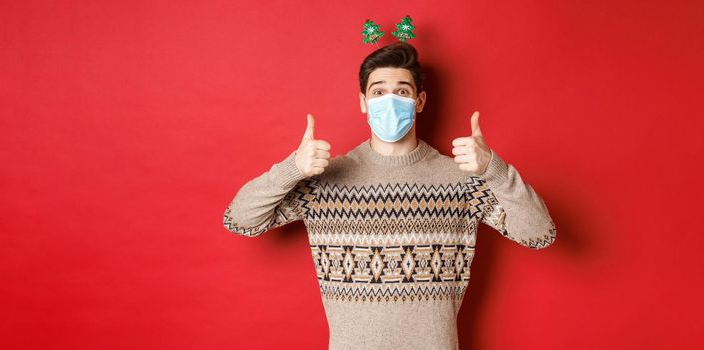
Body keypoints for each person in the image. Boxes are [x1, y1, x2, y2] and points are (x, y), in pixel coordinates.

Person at [222, 41, 557, 350]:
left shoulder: (461, 180)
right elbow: (239, 220)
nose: (390, 100)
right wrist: (292, 168)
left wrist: (493, 170)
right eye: (379, 92)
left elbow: (540, 234)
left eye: (402, 91)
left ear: (420, 101)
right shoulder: (322, 181)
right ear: (363, 102)